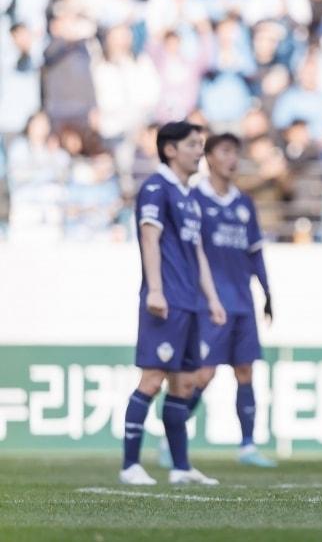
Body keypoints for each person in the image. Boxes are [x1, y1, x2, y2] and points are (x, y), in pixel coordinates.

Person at [157, 133, 276, 469]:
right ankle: (170, 438)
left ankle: (248, 445)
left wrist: (267, 293)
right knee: (202, 374)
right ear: (209, 157)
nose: (232, 159)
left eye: (236, 152)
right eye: (225, 151)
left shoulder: (244, 203)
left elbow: (255, 252)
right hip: (209, 304)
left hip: (242, 302)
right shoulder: (194, 199)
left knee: (245, 371)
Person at [119, 122, 225, 486]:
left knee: (183, 384)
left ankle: (180, 467)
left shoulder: (190, 196)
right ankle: (130, 465)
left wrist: (212, 297)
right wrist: (155, 289)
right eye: (193, 145)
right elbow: (150, 239)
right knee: (152, 379)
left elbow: (197, 252)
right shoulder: (155, 188)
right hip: (166, 301)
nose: (200, 151)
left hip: (191, 303)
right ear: (170, 150)